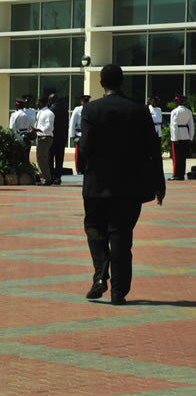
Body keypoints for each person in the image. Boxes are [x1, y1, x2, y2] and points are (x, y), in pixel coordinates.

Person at [79, 64, 165, 305]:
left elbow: (84, 147)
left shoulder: (92, 109)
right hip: (129, 185)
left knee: (94, 229)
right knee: (121, 237)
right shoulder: (138, 110)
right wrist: (159, 184)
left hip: (97, 184)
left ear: (101, 83)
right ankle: (119, 292)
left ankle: (99, 275)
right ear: (122, 82)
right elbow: (153, 150)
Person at [169, 94, 194, 181]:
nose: (175, 103)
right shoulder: (188, 111)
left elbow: (173, 126)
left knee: (176, 157)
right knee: (183, 157)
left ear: (179, 101)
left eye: (176, 101)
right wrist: (191, 137)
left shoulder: (174, 112)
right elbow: (191, 126)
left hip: (178, 136)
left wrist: (174, 138)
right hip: (185, 135)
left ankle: (176, 175)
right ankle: (181, 174)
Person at [33, 96, 55, 186]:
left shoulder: (49, 113)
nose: (36, 103)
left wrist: (37, 130)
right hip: (40, 138)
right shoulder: (40, 113)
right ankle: (43, 178)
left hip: (45, 138)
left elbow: (49, 127)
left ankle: (47, 179)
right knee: (40, 159)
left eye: (37, 102)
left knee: (42, 158)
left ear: (42, 103)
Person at [48, 93, 69, 185]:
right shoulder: (64, 110)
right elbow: (66, 125)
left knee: (50, 157)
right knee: (60, 158)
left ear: (51, 101)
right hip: (62, 137)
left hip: (52, 137)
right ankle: (58, 177)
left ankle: (52, 176)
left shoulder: (50, 111)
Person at [69, 95, 90, 174]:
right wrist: (72, 135)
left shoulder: (90, 109)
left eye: (87, 101)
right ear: (81, 102)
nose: (85, 102)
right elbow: (72, 123)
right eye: (84, 101)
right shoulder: (77, 110)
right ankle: (79, 169)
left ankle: (86, 168)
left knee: (87, 153)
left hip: (87, 134)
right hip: (79, 134)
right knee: (79, 153)